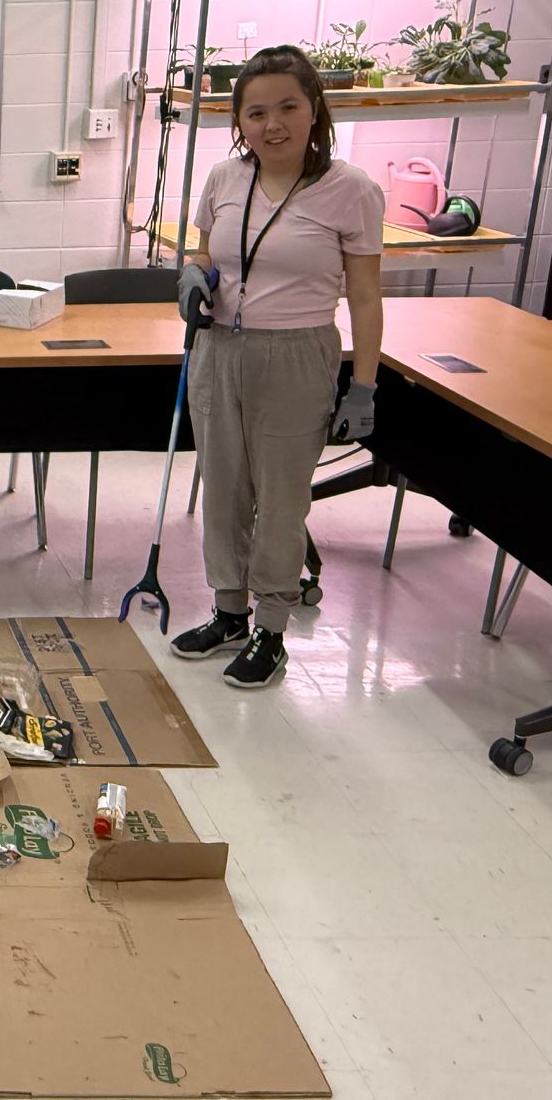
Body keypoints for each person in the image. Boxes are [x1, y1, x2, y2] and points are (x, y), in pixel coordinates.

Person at [171, 46, 385, 687]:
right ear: (239, 121)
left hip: (297, 355)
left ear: (314, 108)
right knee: (225, 491)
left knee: (282, 501)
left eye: (288, 107)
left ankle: (271, 626)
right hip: (221, 351)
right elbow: (204, 253)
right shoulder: (224, 179)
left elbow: (367, 299)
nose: (274, 125)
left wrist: (363, 386)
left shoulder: (351, 190)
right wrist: (190, 277)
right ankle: (228, 611)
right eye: (256, 112)